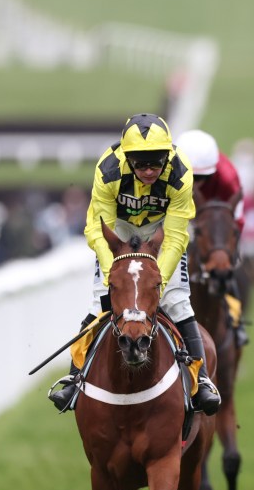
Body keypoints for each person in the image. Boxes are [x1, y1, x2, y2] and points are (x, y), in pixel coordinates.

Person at [48, 113, 221, 414]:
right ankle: (75, 378)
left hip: (163, 231)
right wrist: (111, 271)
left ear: (168, 155)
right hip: (120, 231)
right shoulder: (108, 169)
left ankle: (201, 380)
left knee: (178, 301)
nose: (150, 170)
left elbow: (178, 236)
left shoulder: (181, 173)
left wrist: (159, 282)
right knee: (101, 302)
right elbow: (95, 228)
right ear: (127, 159)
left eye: (156, 161)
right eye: (140, 163)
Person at [175, 128, 251, 347]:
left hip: (215, 218)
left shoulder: (228, 177)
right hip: (179, 215)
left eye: (202, 178)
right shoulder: (165, 170)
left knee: (229, 269)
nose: (197, 183)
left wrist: (227, 249)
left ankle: (236, 321)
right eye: (192, 177)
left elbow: (236, 219)